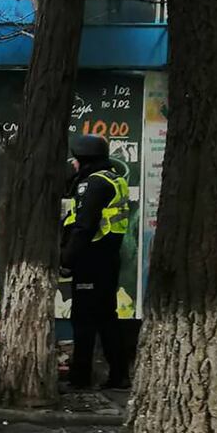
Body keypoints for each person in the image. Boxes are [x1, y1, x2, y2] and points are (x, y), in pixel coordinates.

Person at [61, 134, 131, 390]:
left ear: (85, 160)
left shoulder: (93, 184)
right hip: (109, 257)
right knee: (106, 318)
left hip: (91, 258)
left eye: (76, 160)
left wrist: (67, 259)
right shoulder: (113, 178)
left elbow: (84, 227)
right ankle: (119, 375)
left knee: (83, 320)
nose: (73, 164)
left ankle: (80, 378)